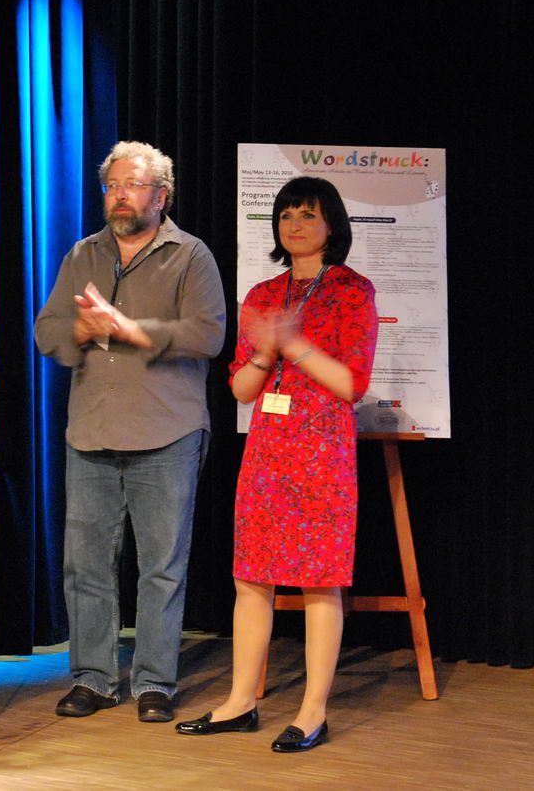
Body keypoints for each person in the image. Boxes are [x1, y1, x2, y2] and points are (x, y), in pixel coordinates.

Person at [175, 177, 377, 752]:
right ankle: (241, 703)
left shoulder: (352, 292)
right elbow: (240, 389)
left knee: (320, 582)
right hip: (268, 451)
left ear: (331, 225)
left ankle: (313, 712)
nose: (294, 224)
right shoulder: (262, 294)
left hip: (323, 453)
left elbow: (350, 383)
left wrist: (296, 345)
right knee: (250, 577)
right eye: (286, 214)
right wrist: (267, 349)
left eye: (307, 215)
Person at [34, 141, 226, 723]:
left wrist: (127, 328)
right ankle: (93, 677)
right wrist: (84, 331)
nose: (120, 194)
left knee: (160, 565)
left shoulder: (190, 255)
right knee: (85, 565)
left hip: (167, 432)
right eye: (112, 185)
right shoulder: (82, 254)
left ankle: (154, 682)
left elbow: (208, 335)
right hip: (91, 431)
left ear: (161, 194)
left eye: (133, 185)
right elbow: (47, 333)